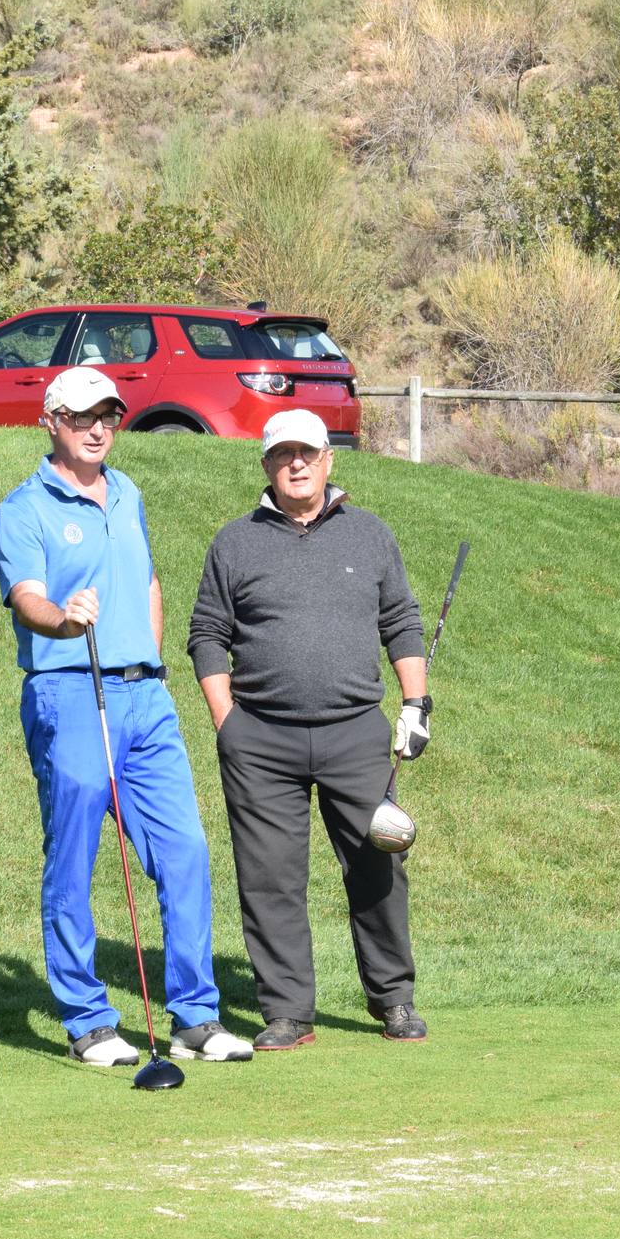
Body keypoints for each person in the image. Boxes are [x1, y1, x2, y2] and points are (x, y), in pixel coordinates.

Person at [0, 366, 254, 1067]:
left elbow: (145, 579)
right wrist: (64, 619)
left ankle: (196, 1019)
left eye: (107, 413)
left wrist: (154, 660)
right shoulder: (24, 507)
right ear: (49, 420)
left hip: (145, 698)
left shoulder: (127, 490)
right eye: (82, 416)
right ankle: (88, 1023)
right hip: (68, 690)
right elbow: (27, 598)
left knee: (184, 853)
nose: (98, 427)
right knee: (73, 859)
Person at [186, 409, 433, 1050]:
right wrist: (228, 723)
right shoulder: (235, 542)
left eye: (309, 453)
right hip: (261, 738)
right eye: (283, 453)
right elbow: (207, 635)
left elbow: (402, 620)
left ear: (330, 460)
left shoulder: (370, 534)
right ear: (266, 464)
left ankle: (394, 1000)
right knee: (269, 876)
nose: (297, 464)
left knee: (378, 865)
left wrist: (416, 703)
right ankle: (288, 1012)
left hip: (354, 732)